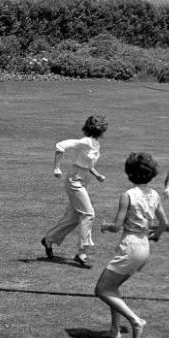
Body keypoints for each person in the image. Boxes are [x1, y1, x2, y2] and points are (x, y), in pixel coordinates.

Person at [94, 152, 167, 338]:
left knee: (101, 289)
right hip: (144, 247)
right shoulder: (154, 195)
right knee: (113, 287)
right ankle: (114, 330)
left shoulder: (127, 195)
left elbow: (117, 226)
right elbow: (163, 223)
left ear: (129, 173)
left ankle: (136, 321)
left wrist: (105, 227)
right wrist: (156, 236)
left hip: (130, 247)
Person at [41, 115, 107, 268]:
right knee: (89, 214)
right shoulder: (84, 142)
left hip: (84, 180)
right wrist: (57, 167)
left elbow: (87, 163)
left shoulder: (95, 143)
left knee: (73, 217)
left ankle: (49, 239)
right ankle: (81, 252)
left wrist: (97, 175)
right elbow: (60, 145)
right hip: (74, 181)